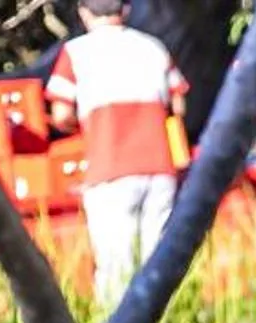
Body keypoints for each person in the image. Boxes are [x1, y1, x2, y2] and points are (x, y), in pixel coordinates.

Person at [46, 0, 187, 304]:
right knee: (157, 260)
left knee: (115, 264)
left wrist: (83, 124)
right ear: (125, 10)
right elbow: (178, 106)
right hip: (159, 168)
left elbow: (60, 113)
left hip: (109, 169)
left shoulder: (76, 53)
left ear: (84, 13)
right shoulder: (153, 48)